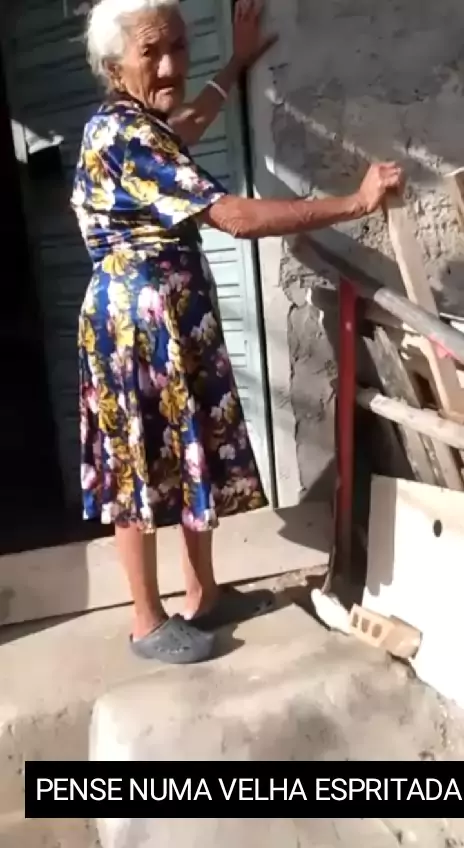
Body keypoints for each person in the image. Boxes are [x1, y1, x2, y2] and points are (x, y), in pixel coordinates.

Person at [72, 0, 403, 665]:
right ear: (113, 67)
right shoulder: (125, 134)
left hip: (170, 317)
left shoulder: (144, 127)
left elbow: (187, 127)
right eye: (150, 53)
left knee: (190, 452)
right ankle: (145, 621)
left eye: (178, 47)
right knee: (137, 466)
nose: (171, 66)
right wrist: (355, 202)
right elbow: (234, 217)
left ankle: (205, 594)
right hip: (134, 327)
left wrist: (233, 66)